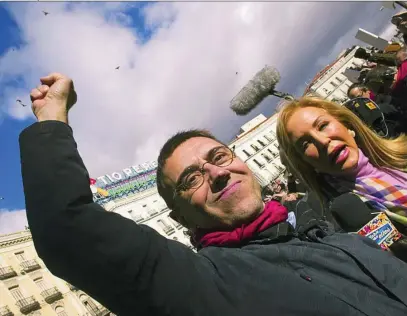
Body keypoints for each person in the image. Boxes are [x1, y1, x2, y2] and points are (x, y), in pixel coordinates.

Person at [20, 73, 407, 316]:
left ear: (241, 162)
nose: (217, 173)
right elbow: (66, 230)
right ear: (180, 218)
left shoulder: (331, 225)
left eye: (219, 157)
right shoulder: (203, 285)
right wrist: (52, 116)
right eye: (191, 179)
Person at [276, 97, 407, 218]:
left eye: (323, 126)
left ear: (346, 124)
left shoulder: (401, 154)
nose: (323, 141)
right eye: (306, 144)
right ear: (306, 163)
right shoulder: (338, 219)